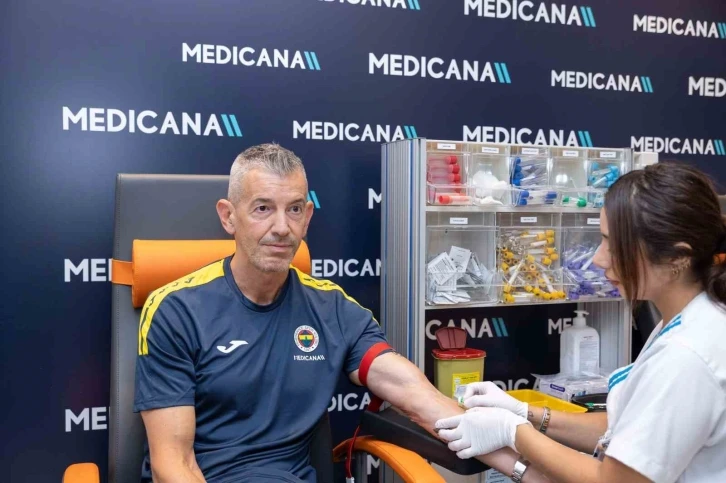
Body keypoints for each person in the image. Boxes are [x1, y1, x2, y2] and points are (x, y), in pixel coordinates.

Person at [133, 143, 551, 483]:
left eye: (294, 209)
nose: (281, 227)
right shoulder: (176, 309)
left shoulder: (332, 307)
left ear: (307, 217)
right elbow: (173, 466)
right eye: (262, 208)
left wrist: (532, 471)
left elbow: (418, 398)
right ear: (229, 216)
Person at [435, 162, 726, 483]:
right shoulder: (690, 319)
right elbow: (626, 431)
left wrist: (514, 432)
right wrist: (525, 413)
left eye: (614, 245)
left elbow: (615, 480)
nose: (598, 259)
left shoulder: (687, 355)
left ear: (676, 257)